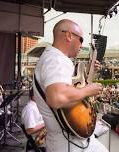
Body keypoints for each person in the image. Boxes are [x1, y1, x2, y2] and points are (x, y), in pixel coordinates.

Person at [33, 19, 107, 152]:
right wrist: (88, 90)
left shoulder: (53, 58)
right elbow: (57, 97)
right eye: (81, 40)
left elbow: (68, 90)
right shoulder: (56, 59)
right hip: (69, 142)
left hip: (67, 138)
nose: (81, 45)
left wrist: (91, 73)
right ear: (68, 36)